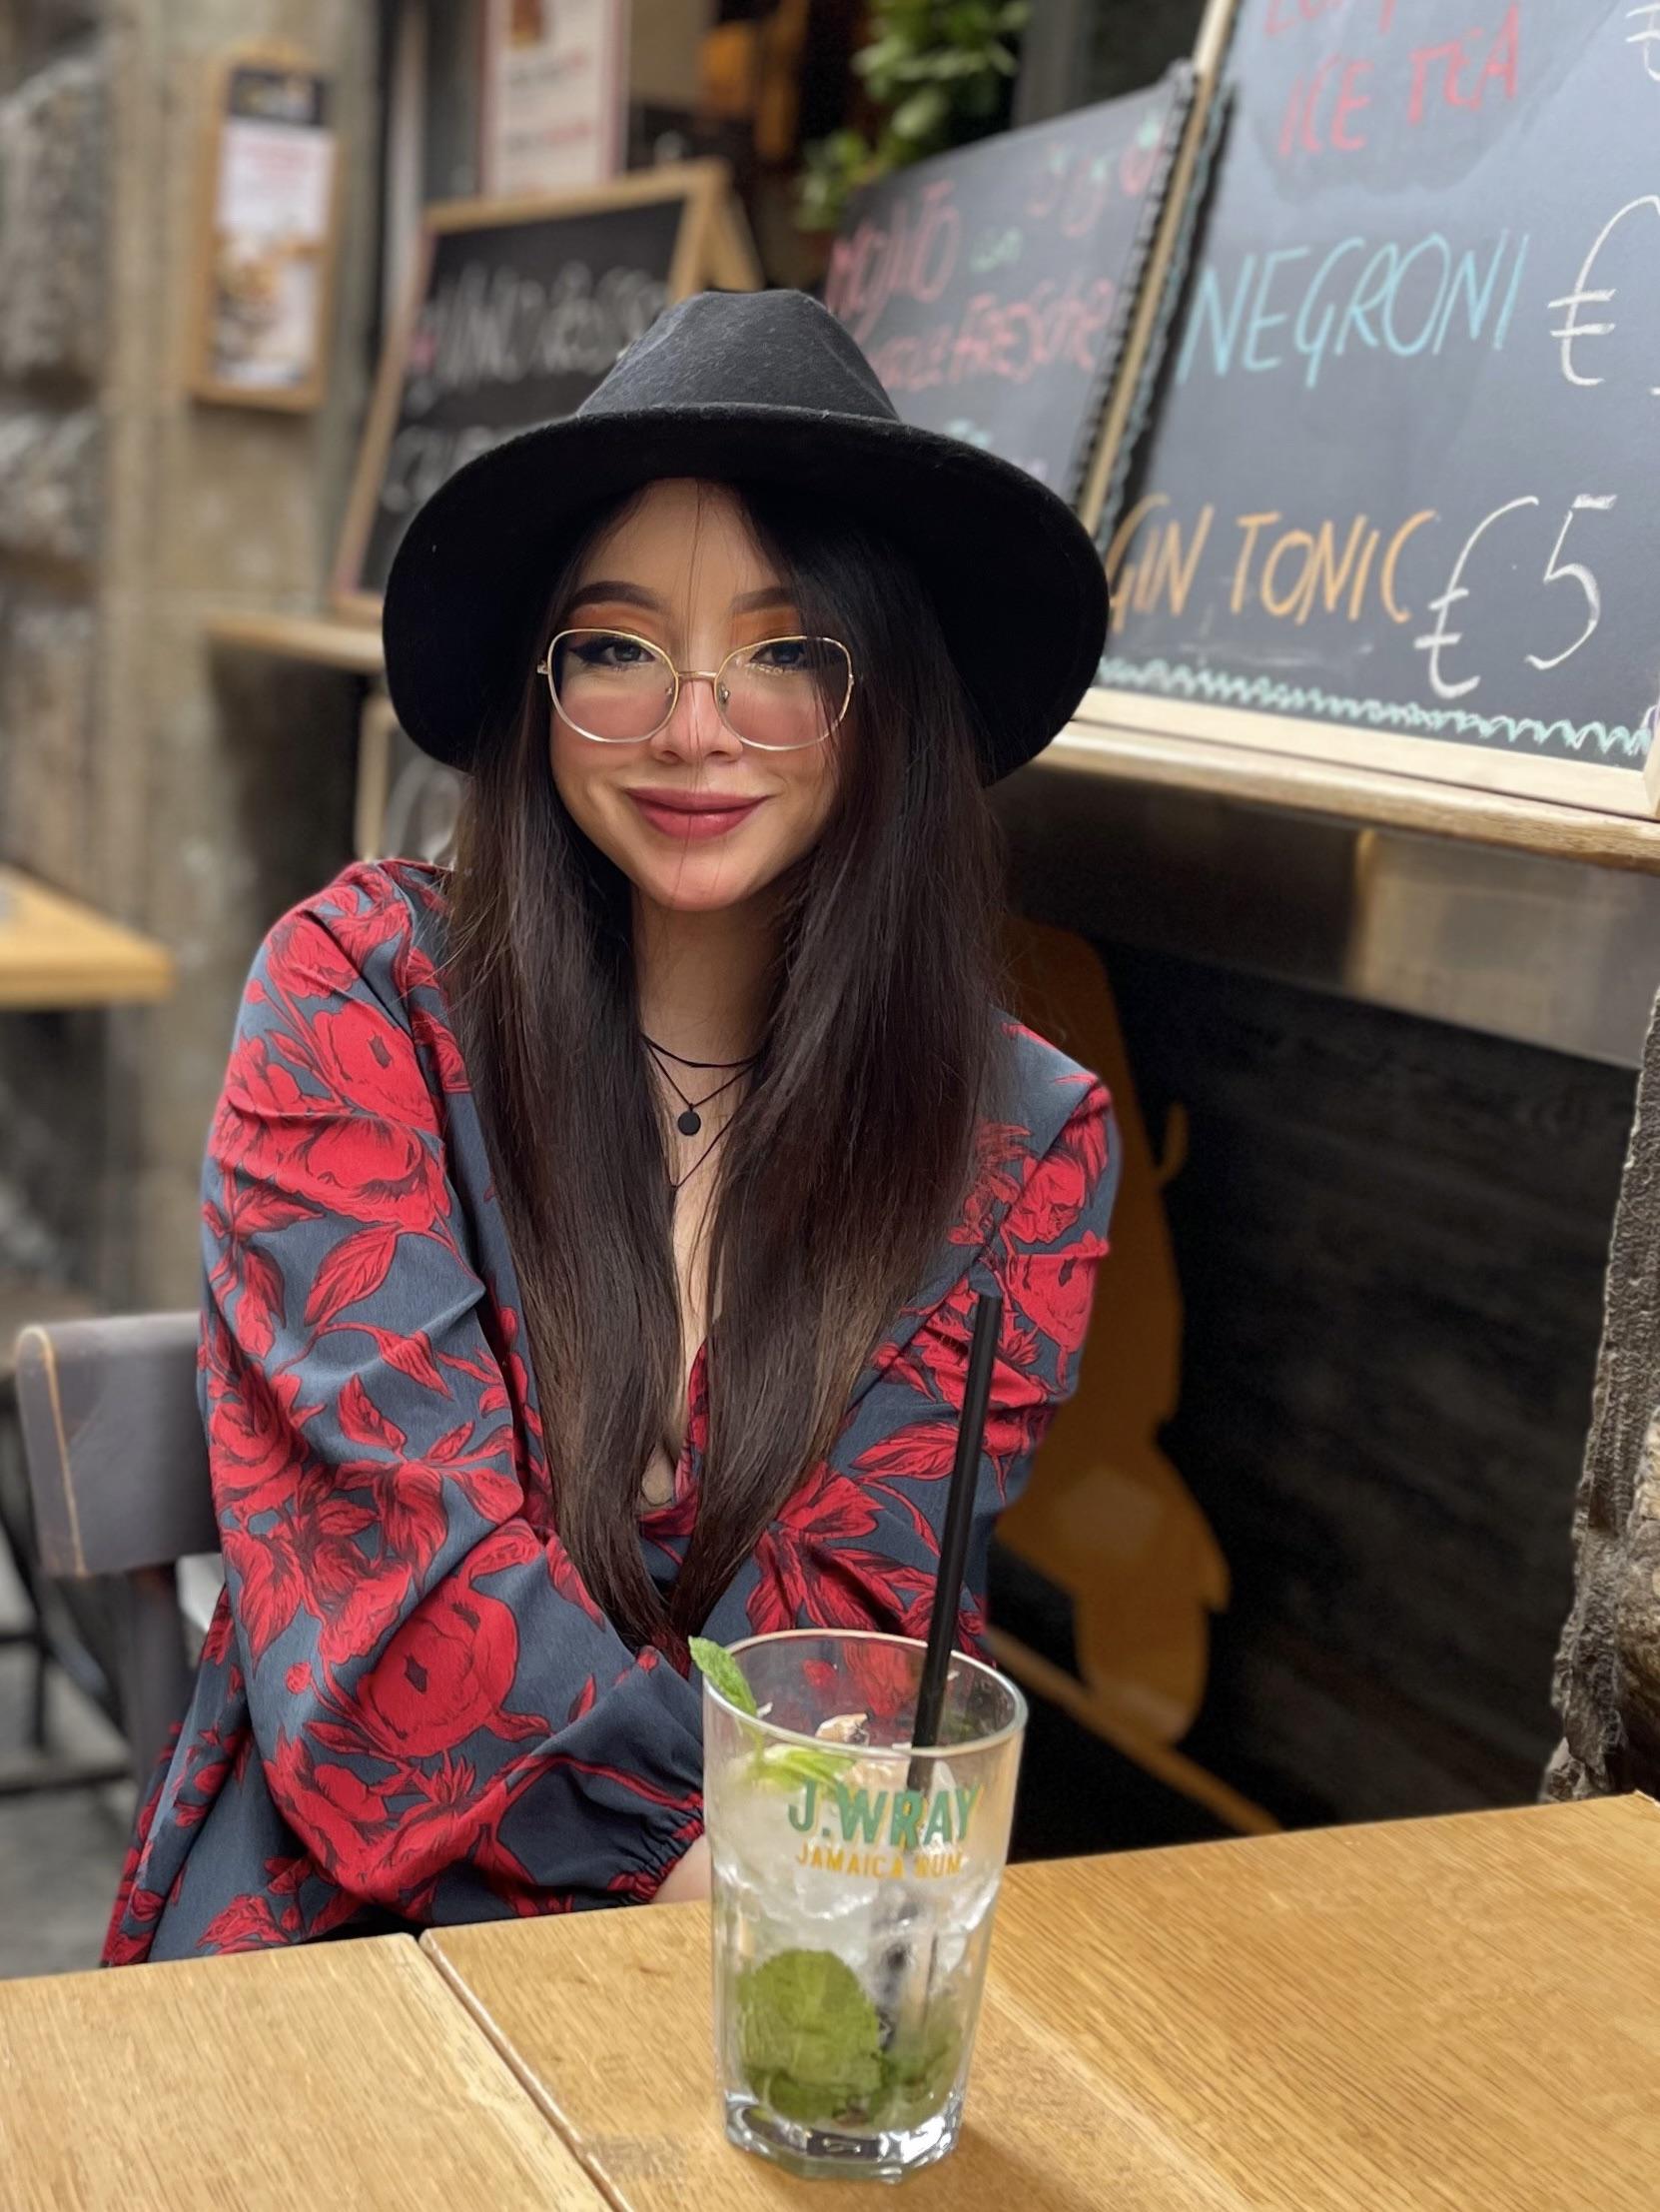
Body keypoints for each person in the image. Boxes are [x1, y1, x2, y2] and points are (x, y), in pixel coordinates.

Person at [104, 289, 1118, 1963]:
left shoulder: (1012, 1150)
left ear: (889, 698)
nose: (692, 725)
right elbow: (395, 1626)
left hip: (730, 1971)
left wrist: (758, 1930)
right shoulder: (362, 1000)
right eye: (618, 646)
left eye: (785, 652)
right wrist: (738, 1893)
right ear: (542, 681)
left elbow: (845, 1678)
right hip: (342, 1950)